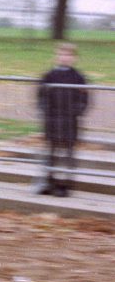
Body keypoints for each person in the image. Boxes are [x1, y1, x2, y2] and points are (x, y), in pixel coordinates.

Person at [34, 43, 88, 197]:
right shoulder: (48, 75)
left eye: (68, 55)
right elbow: (41, 96)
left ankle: (66, 184)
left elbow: (84, 99)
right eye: (62, 54)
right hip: (52, 121)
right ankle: (49, 181)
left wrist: (76, 112)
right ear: (56, 56)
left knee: (69, 154)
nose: (65, 58)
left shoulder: (79, 77)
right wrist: (46, 111)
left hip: (69, 121)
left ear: (74, 58)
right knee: (51, 153)